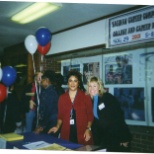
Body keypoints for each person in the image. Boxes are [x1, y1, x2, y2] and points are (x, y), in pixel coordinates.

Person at [86, 76, 132, 152]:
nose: (92, 88)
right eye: (90, 86)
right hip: (100, 137)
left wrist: (124, 137)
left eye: (94, 86)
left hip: (113, 135)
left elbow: (119, 118)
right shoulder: (91, 100)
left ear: (99, 87)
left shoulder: (108, 98)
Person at [48, 70, 94, 145]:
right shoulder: (62, 98)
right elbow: (60, 116)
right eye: (70, 81)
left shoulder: (85, 96)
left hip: (83, 133)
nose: (72, 83)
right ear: (67, 83)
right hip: (66, 133)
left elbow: (90, 116)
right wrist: (57, 126)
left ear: (78, 83)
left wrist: (88, 129)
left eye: (75, 81)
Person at [34, 70, 59, 136]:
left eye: (42, 80)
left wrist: (42, 126)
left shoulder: (50, 93)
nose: (41, 82)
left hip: (50, 123)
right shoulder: (46, 91)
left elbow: (48, 111)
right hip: (48, 122)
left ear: (47, 81)